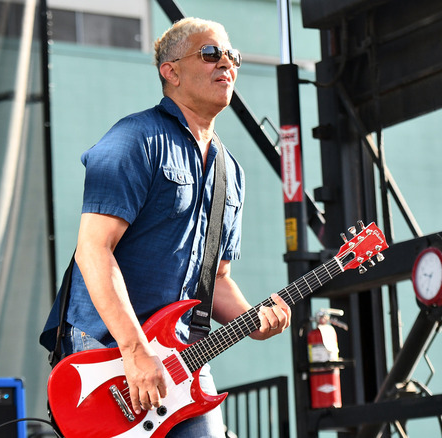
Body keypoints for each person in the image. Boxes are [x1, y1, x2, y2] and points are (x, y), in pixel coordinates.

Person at [40, 17, 291, 437]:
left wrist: (253, 318)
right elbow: (92, 250)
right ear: (170, 71)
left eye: (233, 57)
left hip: (183, 355)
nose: (226, 63)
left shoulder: (231, 172)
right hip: (110, 349)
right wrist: (135, 350)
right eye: (210, 54)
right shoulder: (134, 138)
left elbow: (217, 278)